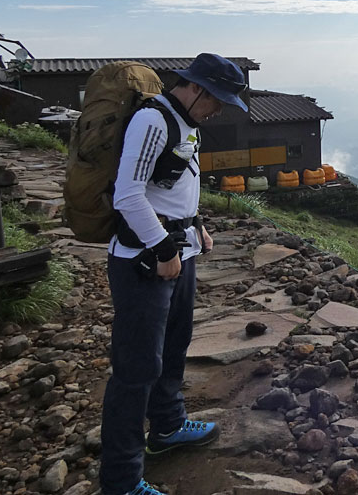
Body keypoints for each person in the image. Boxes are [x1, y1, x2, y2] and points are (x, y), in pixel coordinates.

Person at [99, 53, 248, 495]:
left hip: (179, 253)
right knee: (136, 369)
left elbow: (171, 185)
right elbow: (127, 195)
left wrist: (195, 224)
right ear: (196, 89)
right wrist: (164, 247)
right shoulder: (153, 121)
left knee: (174, 344)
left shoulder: (185, 123)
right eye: (217, 99)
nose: (219, 109)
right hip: (143, 260)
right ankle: (122, 481)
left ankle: (166, 426)